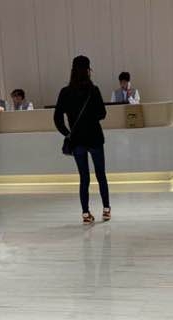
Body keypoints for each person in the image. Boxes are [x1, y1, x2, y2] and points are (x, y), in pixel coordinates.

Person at [54, 55, 111, 224]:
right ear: (88, 70)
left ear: (72, 70)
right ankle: (106, 210)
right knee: (101, 175)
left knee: (84, 177)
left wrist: (67, 133)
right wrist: (90, 117)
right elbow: (102, 114)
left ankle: (85, 213)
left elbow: (57, 118)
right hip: (95, 138)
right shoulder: (93, 90)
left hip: (77, 140)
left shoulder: (65, 92)